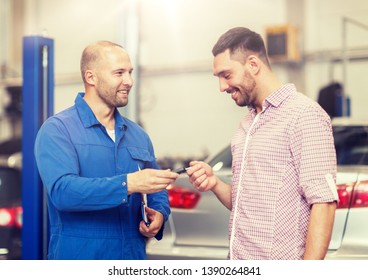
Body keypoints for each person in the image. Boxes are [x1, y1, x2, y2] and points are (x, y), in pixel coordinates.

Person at [186, 27, 338, 260]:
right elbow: (245, 206)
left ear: (253, 65)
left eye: (226, 75)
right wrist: (214, 182)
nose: (222, 87)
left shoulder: (304, 115)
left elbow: (324, 203)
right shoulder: (247, 123)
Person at [34, 41, 179, 260]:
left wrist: (159, 213)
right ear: (91, 77)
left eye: (130, 72)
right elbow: (63, 192)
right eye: (119, 73)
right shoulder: (58, 130)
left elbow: (156, 187)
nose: (129, 81)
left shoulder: (138, 135)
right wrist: (128, 184)